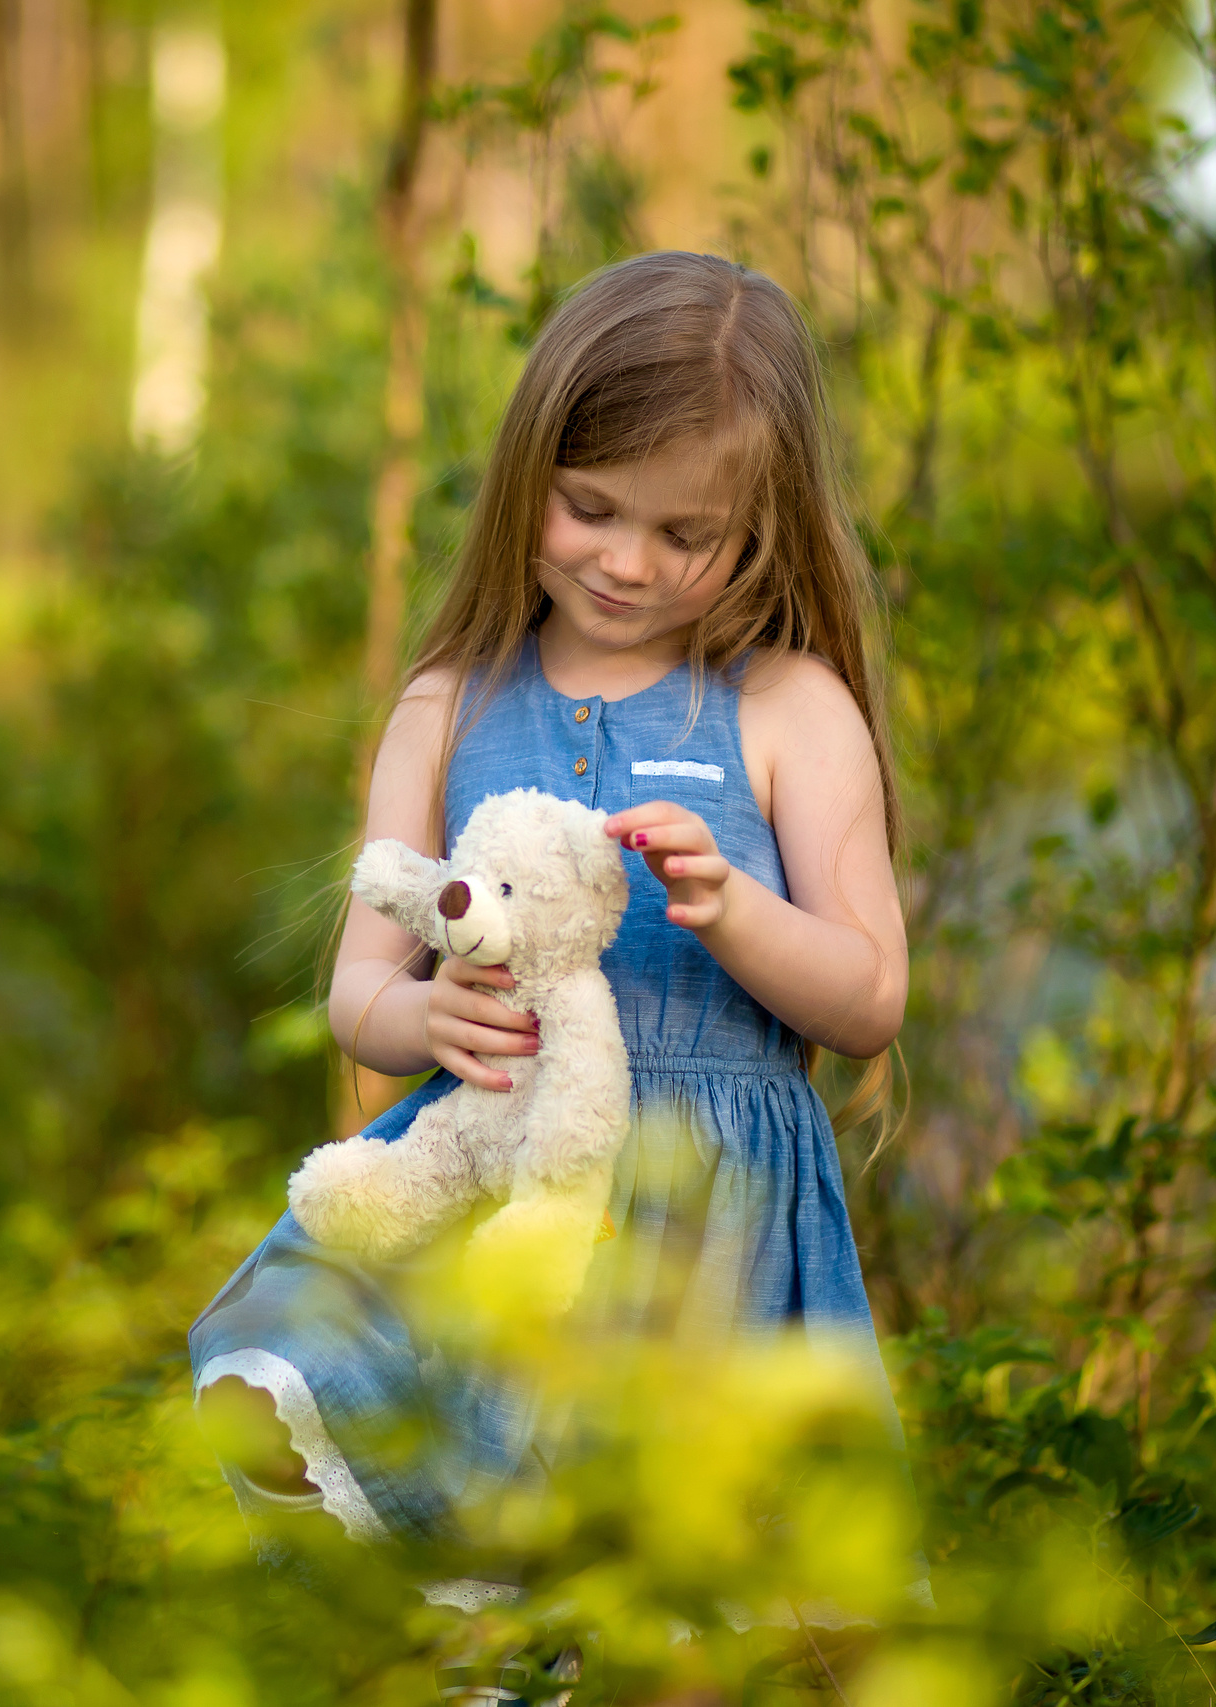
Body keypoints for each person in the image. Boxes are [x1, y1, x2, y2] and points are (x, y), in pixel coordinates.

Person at [188, 250, 914, 1677]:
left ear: (764, 528)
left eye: (684, 532)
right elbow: (361, 993)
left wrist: (735, 913)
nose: (626, 561)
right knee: (478, 1610)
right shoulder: (450, 703)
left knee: (677, 1640)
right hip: (499, 1210)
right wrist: (427, 1010)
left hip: (705, 1236)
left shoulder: (784, 707)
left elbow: (872, 993)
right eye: (590, 508)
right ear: (529, 476)